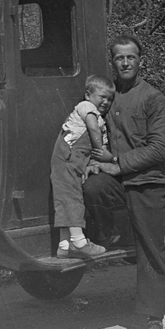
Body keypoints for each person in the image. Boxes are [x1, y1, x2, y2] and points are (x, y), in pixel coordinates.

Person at [83, 35, 165, 329]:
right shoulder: (107, 98)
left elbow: (159, 148)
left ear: (140, 61)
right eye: (119, 58)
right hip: (118, 182)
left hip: (148, 183)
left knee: (150, 249)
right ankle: (108, 236)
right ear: (113, 62)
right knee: (93, 188)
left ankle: (153, 319)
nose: (124, 63)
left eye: (130, 57)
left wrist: (117, 163)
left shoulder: (152, 98)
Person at [50, 75, 116, 259]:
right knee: (72, 197)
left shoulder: (99, 116)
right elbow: (93, 130)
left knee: (66, 196)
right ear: (88, 95)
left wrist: (95, 163)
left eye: (110, 98)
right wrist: (100, 150)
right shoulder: (86, 107)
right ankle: (79, 242)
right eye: (102, 96)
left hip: (75, 160)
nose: (106, 101)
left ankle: (64, 245)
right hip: (68, 155)